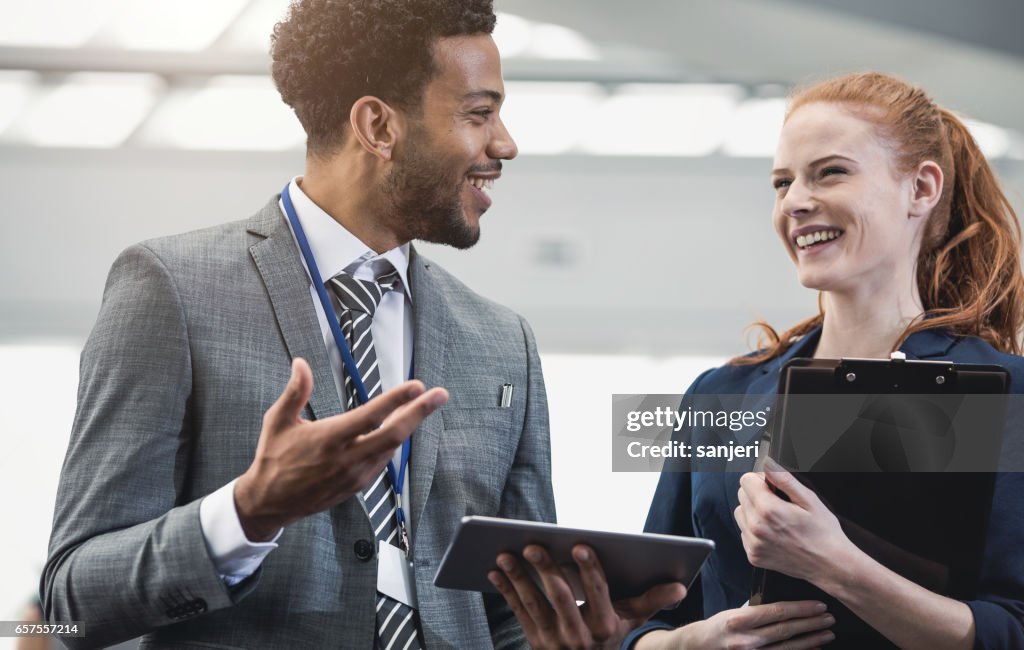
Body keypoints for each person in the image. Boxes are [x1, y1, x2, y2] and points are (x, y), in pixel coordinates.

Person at [42, 1, 556, 648]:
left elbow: (515, 616)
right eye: (479, 114)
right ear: (377, 125)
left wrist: (618, 637)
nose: (504, 144)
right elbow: (69, 604)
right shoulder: (171, 289)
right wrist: (247, 513)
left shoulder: (503, 341)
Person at [493, 71, 1024, 649]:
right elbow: (649, 619)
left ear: (920, 189)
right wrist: (690, 643)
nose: (795, 201)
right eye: (781, 182)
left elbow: (1011, 627)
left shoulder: (1001, 393)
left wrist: (836, 566)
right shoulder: (721, 392)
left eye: (831, 172)